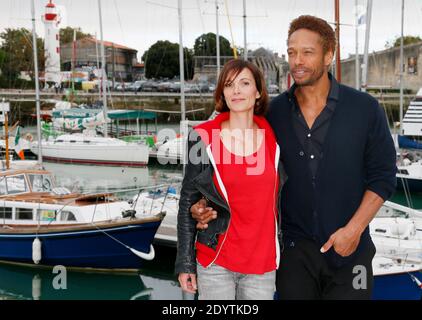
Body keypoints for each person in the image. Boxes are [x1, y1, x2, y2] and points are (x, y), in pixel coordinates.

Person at [190, 15, 397, 300]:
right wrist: (206, 207)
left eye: (307, 52)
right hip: (293, 255)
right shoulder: (273, 114)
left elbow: (383, 176)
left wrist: (354, 230)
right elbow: (236, 161)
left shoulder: (365, 109)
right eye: (291, 52)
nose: (297, 60)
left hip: (351, 251)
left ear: (328, 56)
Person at [175, 59, 285, 300]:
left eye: (244, 83)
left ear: (257, 92)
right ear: (222, 93)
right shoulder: (203, 137)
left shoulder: (274, 137)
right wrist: (185, 263)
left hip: (262, 264)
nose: (236, 91)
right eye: (229, 84)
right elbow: (187, 202)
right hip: (216, 261)